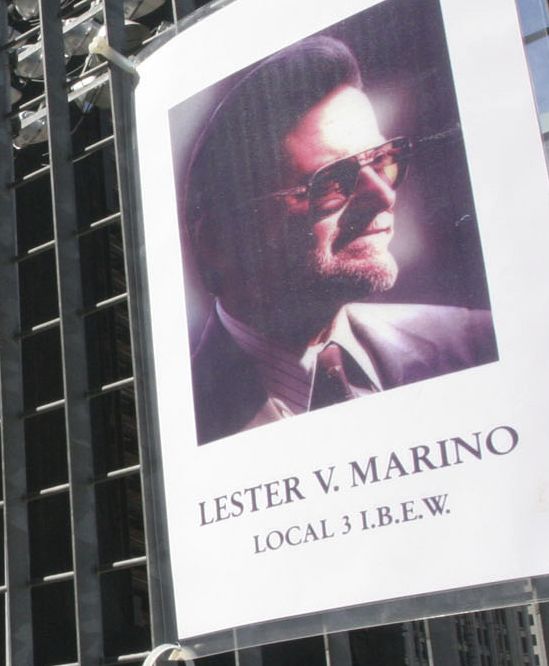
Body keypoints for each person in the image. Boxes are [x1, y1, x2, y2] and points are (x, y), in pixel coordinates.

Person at [181, 33, 496, 445]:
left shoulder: (474, 344)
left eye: (382, 160)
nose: (385, 194)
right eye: (330, 182)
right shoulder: (182, 422)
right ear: (222, 241)